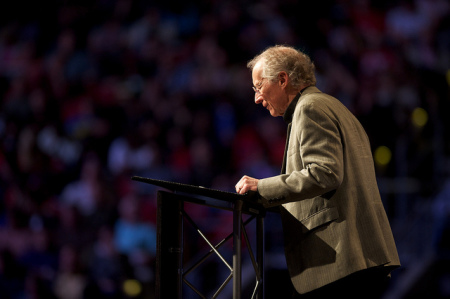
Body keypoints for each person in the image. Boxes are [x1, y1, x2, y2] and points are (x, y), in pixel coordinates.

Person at [235, 45, 400, 298]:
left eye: (258, 87)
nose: (257, 98)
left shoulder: (309, 108)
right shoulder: (334, 106)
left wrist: (262, 187)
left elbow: (325, 173)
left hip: (341, 259)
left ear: (282, 79)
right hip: (357, 257)